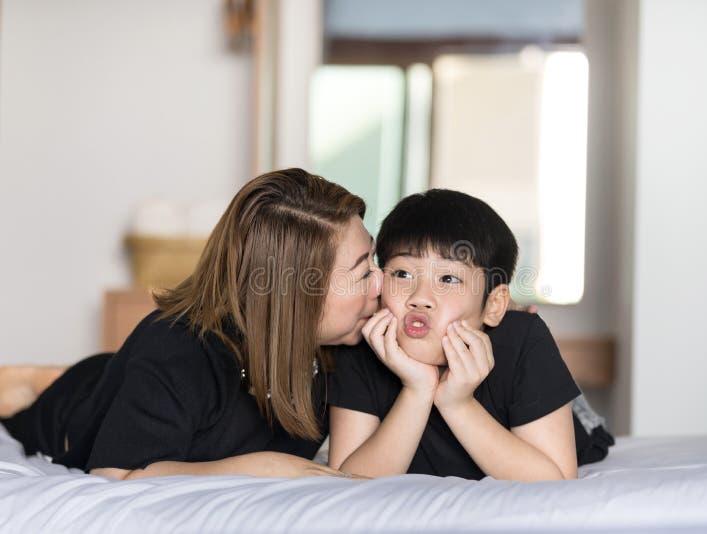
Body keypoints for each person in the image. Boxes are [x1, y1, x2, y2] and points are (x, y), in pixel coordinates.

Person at [0, 168, 382, 480]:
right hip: (76, 406)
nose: (381, 283)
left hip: (150, 387)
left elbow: (355, 469)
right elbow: (114, 474)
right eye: (364, 272)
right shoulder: (180, 349)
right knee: (47, 399)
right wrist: (266, 466)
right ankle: (35, 381)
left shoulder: (348, 346)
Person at [327, 189, 582, 481]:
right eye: (402, 274)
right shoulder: (364, 344)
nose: (420, 297)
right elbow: (346, 482)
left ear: (494, 304)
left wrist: (459, 404)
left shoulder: (521, 339)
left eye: (448, 279)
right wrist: (417, 389)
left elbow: (556, 480)